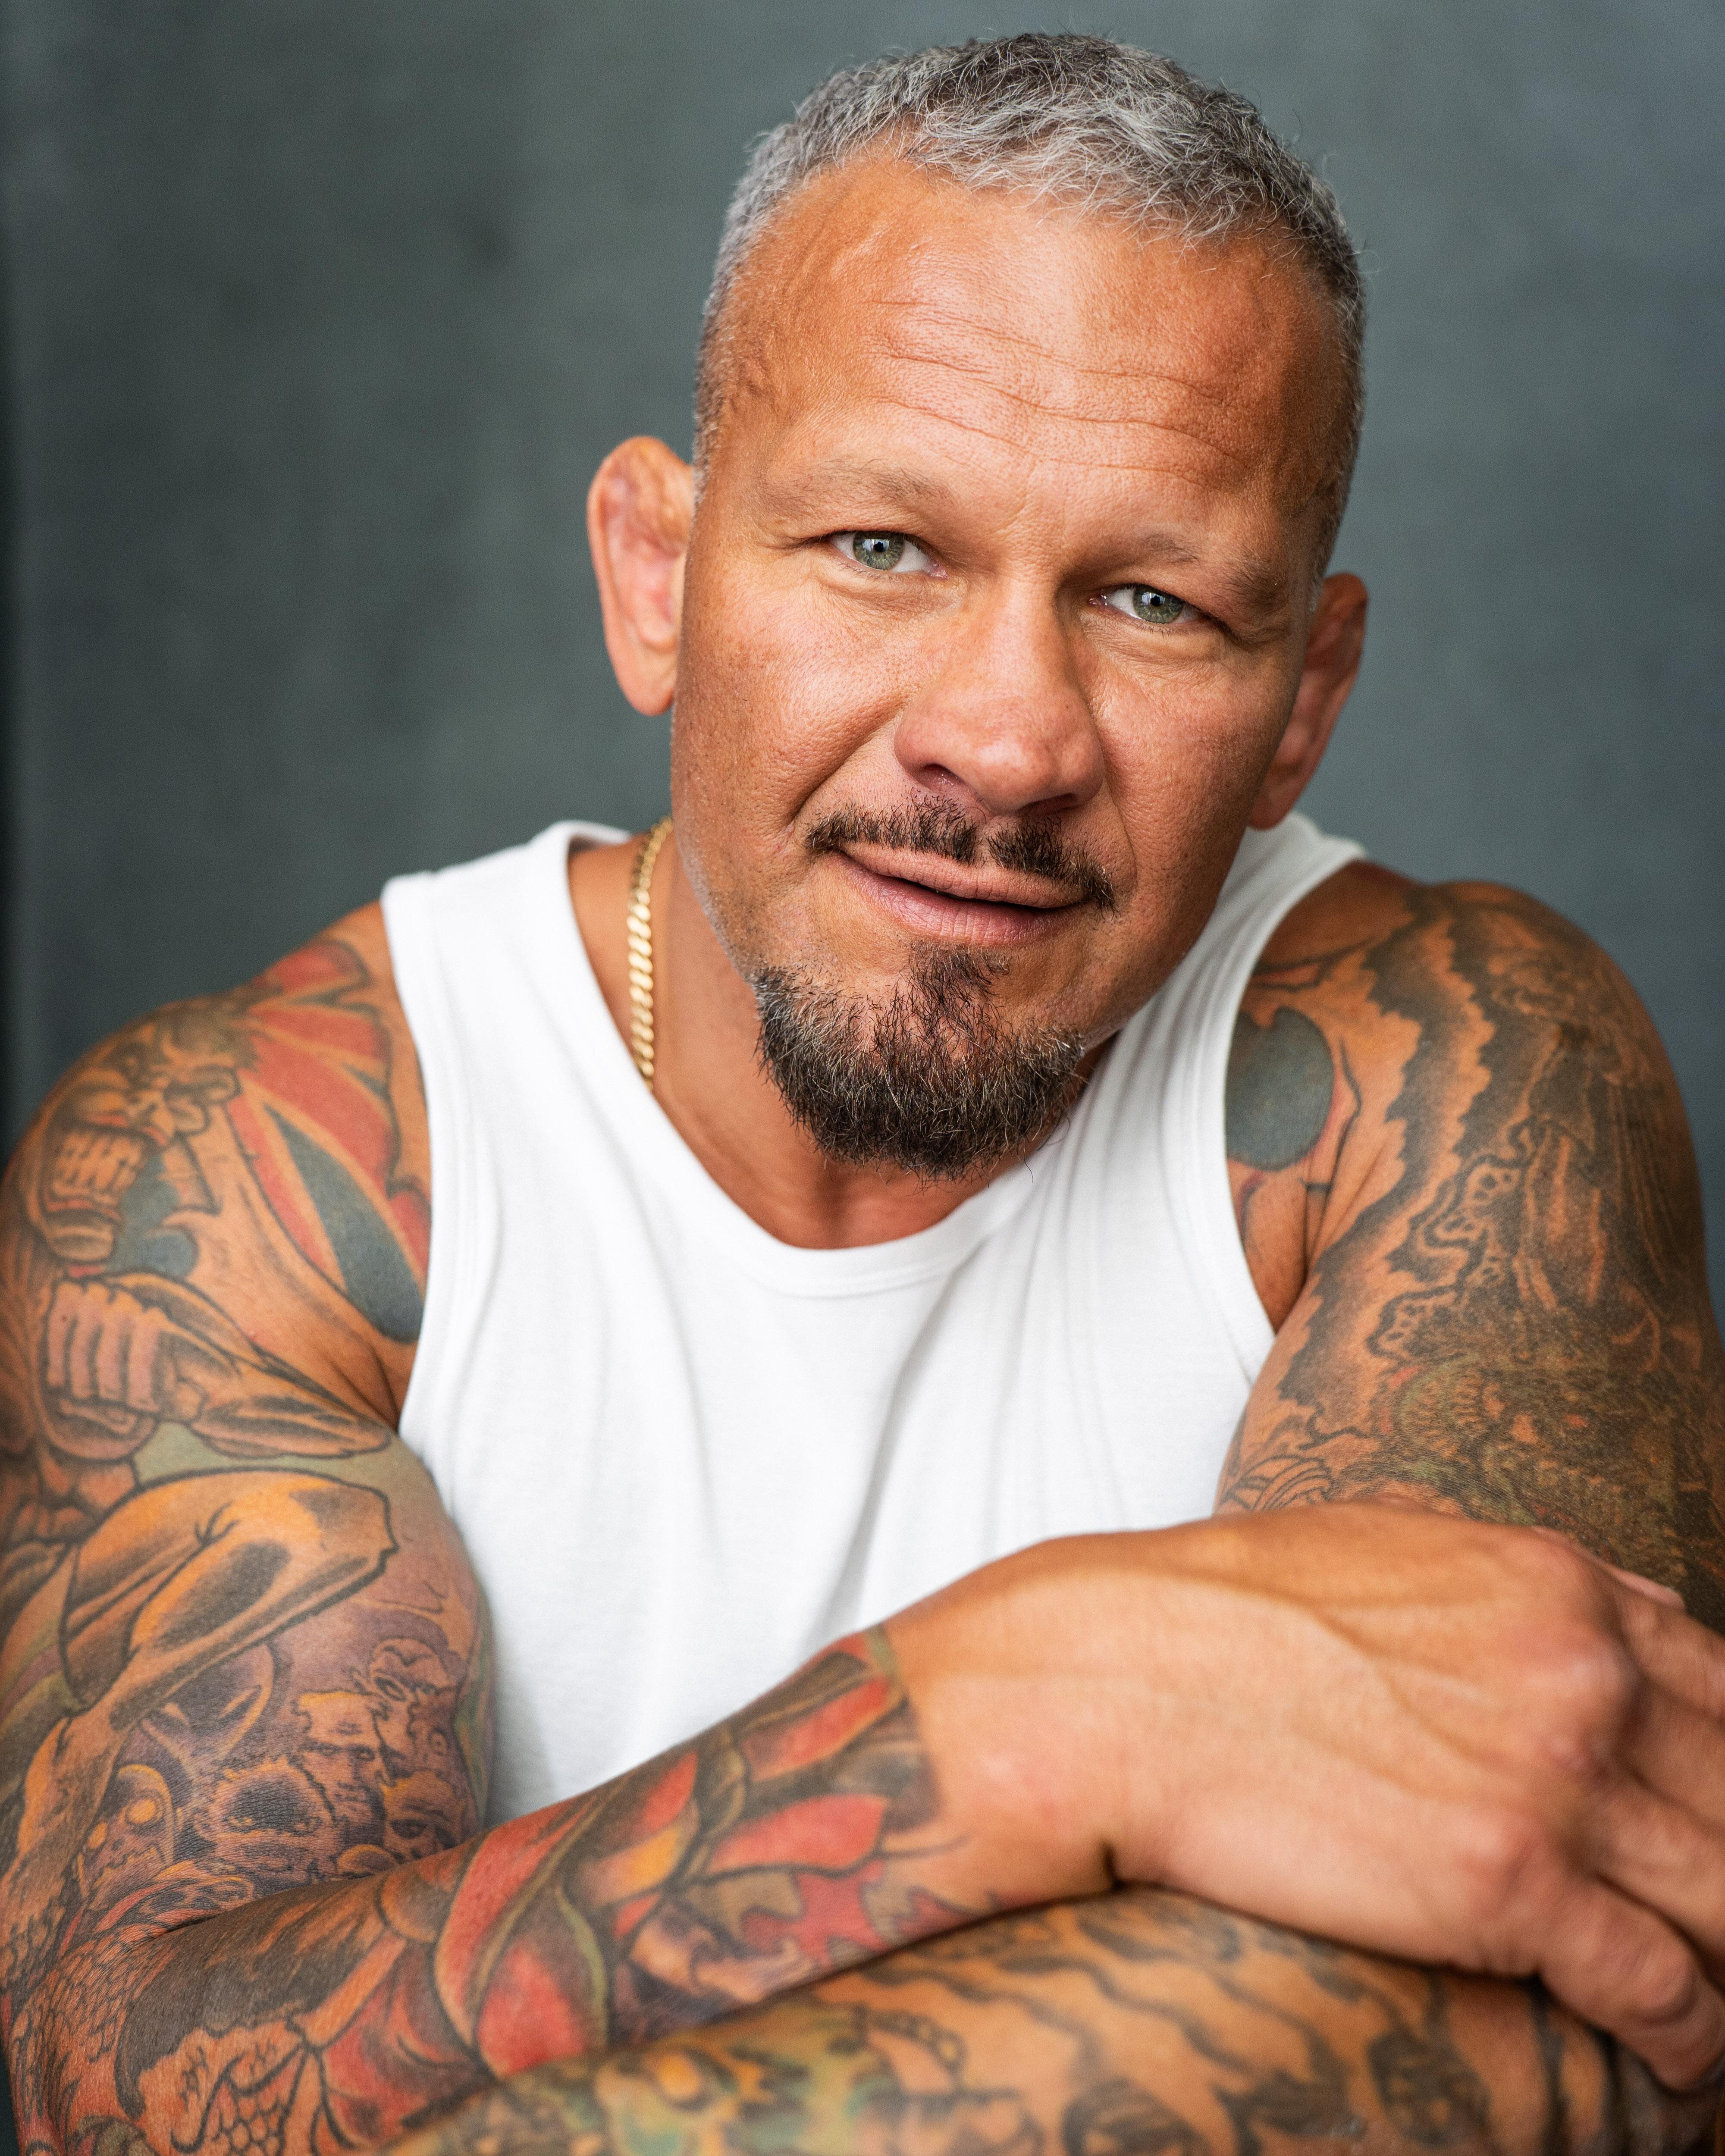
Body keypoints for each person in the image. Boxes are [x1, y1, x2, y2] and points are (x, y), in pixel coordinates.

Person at [2, 32, 1722, 2156]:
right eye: (883, 547)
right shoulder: (261, 1173)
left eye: (1154, 600)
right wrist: (1028, 1711)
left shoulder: (1448, 1067)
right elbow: (145, 2084)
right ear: (657, 577)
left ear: (1305, 702)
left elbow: (1534, 2017)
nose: (1005, 739)